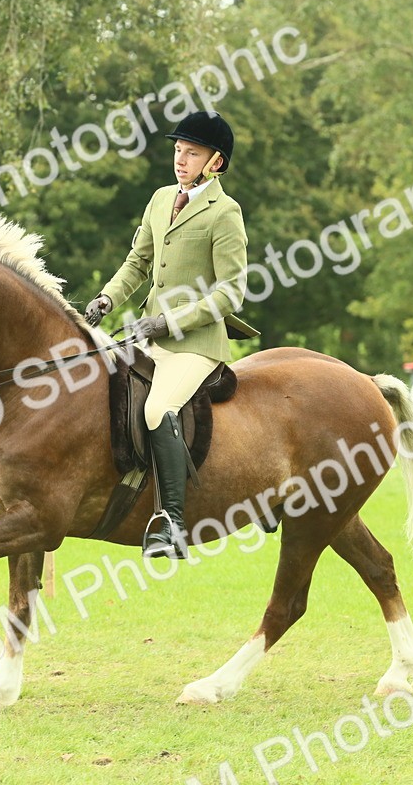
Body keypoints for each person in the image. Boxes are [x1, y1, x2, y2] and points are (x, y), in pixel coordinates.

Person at [84, 110, 257, 559]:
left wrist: (169, 321)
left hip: (195, 343)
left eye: (191, 152)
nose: (181, 160)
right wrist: (106, 298)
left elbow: (230, 293)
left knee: (159, 408)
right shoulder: (161, 198)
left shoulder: (225, 213)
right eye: (178, 150)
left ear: (215, 162)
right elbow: (137, 262)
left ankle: (172, 523)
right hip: (149, 337)